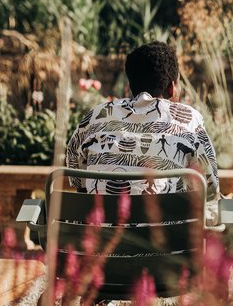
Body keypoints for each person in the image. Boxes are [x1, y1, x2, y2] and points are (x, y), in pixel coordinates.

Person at [66, 41, 220, 205]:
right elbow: (210, 188)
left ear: (131, 86)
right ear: (171, 88)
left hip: (100, 227)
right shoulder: (189, 118)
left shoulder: (96, 115)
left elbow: (77, 176)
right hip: (167, 229)